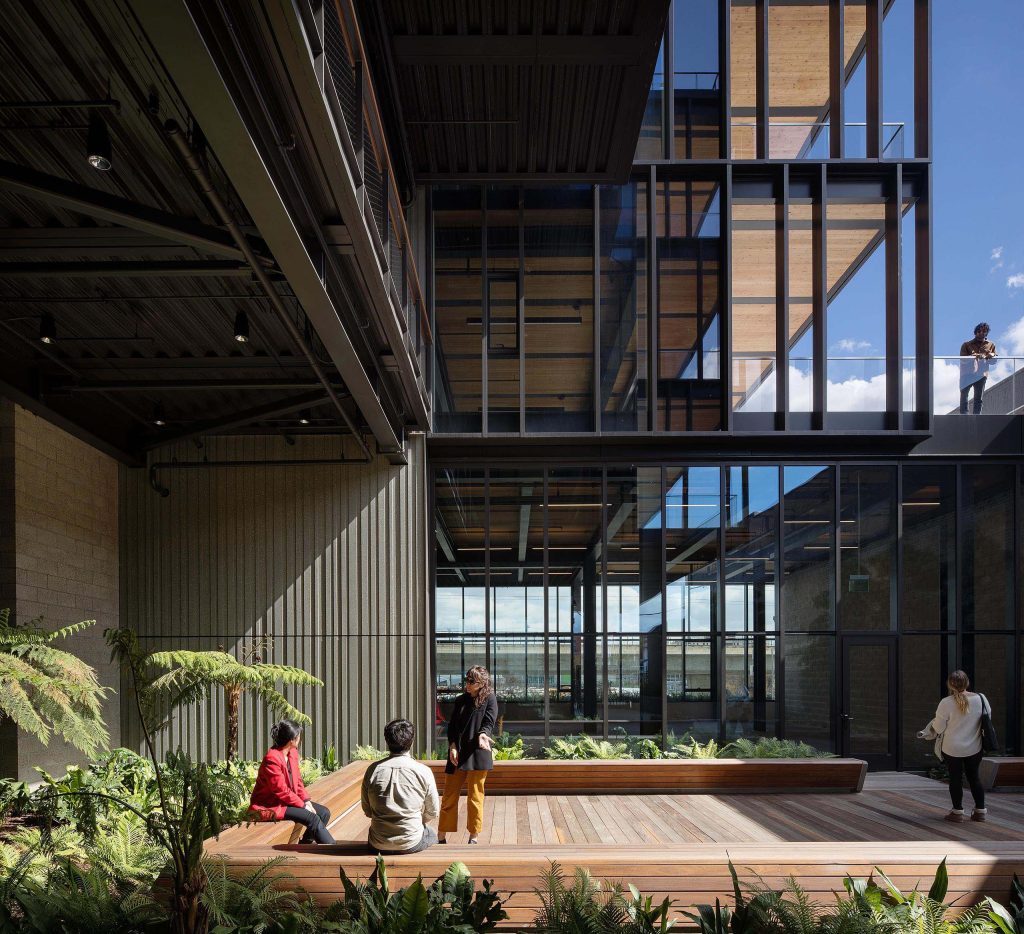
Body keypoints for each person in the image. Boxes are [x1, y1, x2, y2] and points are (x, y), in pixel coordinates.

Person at [918, 670, 990, 822]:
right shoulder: (981, 699)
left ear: (950, 685)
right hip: (974, 747)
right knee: (974, 777)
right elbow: (987, 718)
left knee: (955, 779)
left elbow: (938, 728)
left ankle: (957, 812)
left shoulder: (946, 703)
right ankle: (980, 811)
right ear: (967, 683)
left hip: (951, 748)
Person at [438, 666, 498, 845]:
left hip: (477, 753)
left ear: (482, 684)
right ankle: (441, 835)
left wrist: (483, 734)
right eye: (467, 680)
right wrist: (453, 746)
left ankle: (474, 835)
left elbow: (489, 722)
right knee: (449, 795)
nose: (468, 684)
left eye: (472, 681)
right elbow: (452, 727)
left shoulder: (490, 699)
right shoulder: (460, 700)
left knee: (475, 797)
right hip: (458, 754)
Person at [249, 719, 335, 844]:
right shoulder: (272, 758)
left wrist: (306, 801)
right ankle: (332, 850)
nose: (300, 739)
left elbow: (298, 780)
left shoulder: (292, 753)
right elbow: (281, 791)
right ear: (292, 740)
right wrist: (302, 805)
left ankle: (304, 846)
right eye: (299, 736)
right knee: (312, 818)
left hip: (286, 801)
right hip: (271, 805)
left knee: (323, 813)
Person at [360, 718, 439, 854]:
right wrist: (418, 821)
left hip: (378, 843)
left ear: (387, 741)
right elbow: (433, 811)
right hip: (411, 842)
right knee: (431, 834)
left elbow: (367, 811)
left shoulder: (373, 770)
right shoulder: (423, 771)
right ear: (412, 741)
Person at [959, 322, 997, 414]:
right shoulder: (966, 345)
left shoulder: (991, 344)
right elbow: (962, 360)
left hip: (981, 374)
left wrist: (991, 355)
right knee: (964, 395)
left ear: (986, 332)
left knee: (978, 397)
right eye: (979, 331)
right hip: (967, 373)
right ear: (975, 332)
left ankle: (977, 416)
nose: (981, 333)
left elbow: (994, 361)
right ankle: (964, 415)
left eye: (984, 331)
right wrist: (973, 357)